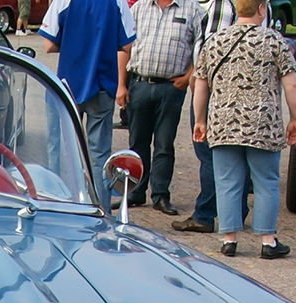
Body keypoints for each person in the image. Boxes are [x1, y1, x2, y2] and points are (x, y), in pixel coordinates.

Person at [192, 0, 296, 258]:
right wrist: (295, 118)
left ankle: (229, 239)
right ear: (261, 8)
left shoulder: (215, 41)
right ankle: (267, 240)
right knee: (266, 182)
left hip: (223, 122)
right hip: (262, 124)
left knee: (227, 181)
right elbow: (291, 85)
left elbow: (200, 85)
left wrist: (199, 119)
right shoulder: (274, 41)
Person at [171, 0, 267, 235]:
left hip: (219, 90)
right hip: (246, 91)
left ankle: (206, 214)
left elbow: (213, 48)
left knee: (209, 154)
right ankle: (235, 212)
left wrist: (198, 77)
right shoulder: (261, 5)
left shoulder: (224, 5)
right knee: (238, 155)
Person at [39, 0, 135, 212]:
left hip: (69, 85)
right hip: (102, 86)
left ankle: (60, 204)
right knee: (100, 155)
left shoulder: (64, 1)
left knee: (62, 151)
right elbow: (126, 45)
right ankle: (101, 209)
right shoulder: (118, 3)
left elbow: (48, 44)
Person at [123, 0, 202, 214]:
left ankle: (160, 195)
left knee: (164, 144)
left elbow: (201, 47)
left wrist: (188, 77)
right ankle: (135, 192)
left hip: (171, 87)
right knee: (137, 142)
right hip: (139, 83)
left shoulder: (192, 9)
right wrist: (122, 84)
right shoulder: (139, 8)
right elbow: (125, 45)